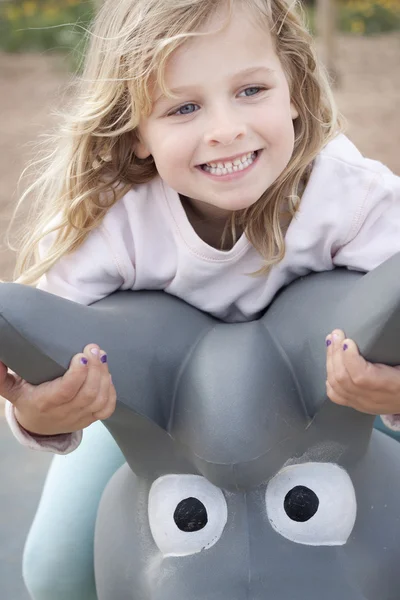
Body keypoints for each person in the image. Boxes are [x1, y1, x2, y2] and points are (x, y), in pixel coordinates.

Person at [2, 0, 400, 598]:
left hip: (325, 408)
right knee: (53, 565)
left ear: (293, 88)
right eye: (184, 106)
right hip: (165, 426)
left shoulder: (349, 196)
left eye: (251, 90)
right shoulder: (112, 227)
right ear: (137, 132)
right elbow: (47, 356)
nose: (225, 128)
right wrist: (40, 415)